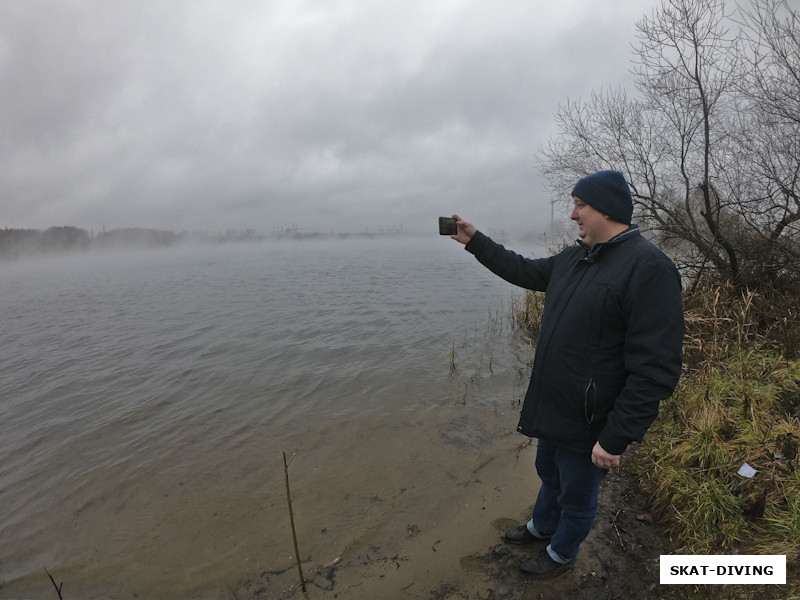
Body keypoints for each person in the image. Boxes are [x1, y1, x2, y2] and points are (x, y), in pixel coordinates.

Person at [450, 170, 684, 578]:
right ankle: (542, 525)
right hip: (556, 403)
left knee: (578, 493)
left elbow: (656, 368)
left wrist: (616, 436)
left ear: (607, 210)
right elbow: (522, 270)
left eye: (580, 205)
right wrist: (476, 241)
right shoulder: (575, 257)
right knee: (549, 473)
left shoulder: (648, 268)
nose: (572, 214)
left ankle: (561, 554)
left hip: (592, 419)